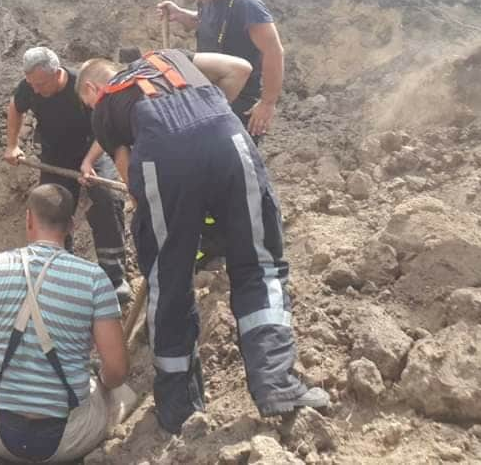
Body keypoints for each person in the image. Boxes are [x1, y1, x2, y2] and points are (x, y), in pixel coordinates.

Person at [76, 49, 329, 432]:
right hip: (227, 137)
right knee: (260, 264)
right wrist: (201, 119)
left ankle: (180, 410)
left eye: (86, 101)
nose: (90, 107)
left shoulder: (105, 109)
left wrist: (149, 203)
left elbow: (131, 182)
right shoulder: (171, 56)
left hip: (163, 158)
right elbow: (240, 68)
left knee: (170, 280)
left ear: (94, 87)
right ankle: (278, 384)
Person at [0, 184, 132, 464]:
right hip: (66, 439)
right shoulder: (94, 279)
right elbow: (117, 370)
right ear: (72, 225)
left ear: (28, 219)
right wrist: (101, 382)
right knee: (124, 394)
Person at [4, 47, 128, 301]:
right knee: (51, 206)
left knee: (105, 199)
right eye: (32, 84)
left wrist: (88, 162)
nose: (35, 91)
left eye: (40, 84)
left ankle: (114, 277)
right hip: (55, 156)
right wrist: (12, 144)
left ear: (56, 73)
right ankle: (58, 268)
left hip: (93, 148)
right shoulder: (30, 86)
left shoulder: (79, 85)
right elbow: (15, 108)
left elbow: (106, 129)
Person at [157, 0, 284, 140]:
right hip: (210, 95)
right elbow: (205, 23)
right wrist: (180, 14)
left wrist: (267, 103)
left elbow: (274, 51)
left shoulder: (246, 4)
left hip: (239, 103)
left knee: (236, 164)